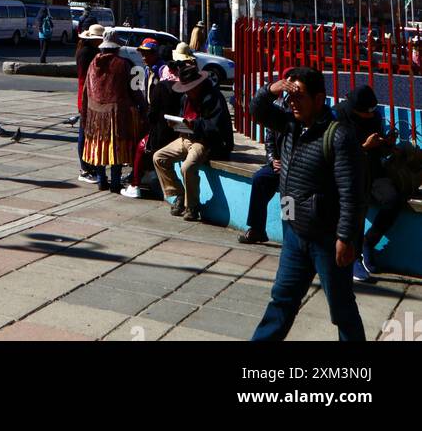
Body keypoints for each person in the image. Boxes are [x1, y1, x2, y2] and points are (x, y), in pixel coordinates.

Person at [250, 67, 367, 343]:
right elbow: (257, 110)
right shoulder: (290, 124)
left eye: (299, 95)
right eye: (290, 96)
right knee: (281, 300)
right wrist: (272, 89)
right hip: (295, 234)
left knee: (341, 309)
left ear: (319, 99)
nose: (292, 102)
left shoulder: (338, 136)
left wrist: (345, 238)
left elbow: (351, 192)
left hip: (327, 240)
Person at [152, 56, 234, 221]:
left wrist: (194, 125)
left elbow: (215, 127)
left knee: (187, 168)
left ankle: (192, 206)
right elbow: (184, 117)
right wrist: (176, 124)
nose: (188, 91)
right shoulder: (186, 98)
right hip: (186, 137)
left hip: (204, 141)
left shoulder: (214, 98)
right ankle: (179, 193)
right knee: (158, 157)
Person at [334, 84, 401, 283]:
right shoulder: (338, 116)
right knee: (356, 204)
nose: (370, 116)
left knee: (393, 200)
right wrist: (364, 147)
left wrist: (386, 143)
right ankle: (353, 258)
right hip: (349, 172)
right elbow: (337, 153)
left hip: (372, 169)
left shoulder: (375, 116)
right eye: (366, 113)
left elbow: (378, 150)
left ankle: (368, 243)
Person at [81, 35, 143, 193]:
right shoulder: (124, 64)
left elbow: (86, 90)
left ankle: (102, 180)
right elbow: (135, 90)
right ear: (117, 48)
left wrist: (85, 112)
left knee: (99, 145)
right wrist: (142, 106)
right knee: (117, 148)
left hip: (95, 113)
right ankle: (115, 183)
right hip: (117, 115)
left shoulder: (92, 64)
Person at [120, 37, 176, 198]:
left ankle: (137, 181)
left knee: (143, 147)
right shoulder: (147, 69)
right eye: (142, 54)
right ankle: (142, 175)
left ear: (154, 54)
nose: (143, 57)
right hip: (148, 115)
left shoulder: (162, 70)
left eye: (147, 54)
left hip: (159, 118)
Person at [238, 106, 287, 245]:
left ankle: (291, 235)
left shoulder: (304, 121)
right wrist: (272, 160)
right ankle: (257, 228)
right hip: (278, 166)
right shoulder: (279, 112)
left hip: (294, 171)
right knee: (260, 178)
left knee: (288, 192)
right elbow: (270, 141)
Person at [75, 24, 105, 182]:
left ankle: (88, 166)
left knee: (87, 132)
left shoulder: (86, 50)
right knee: (84, 133)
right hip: (87, 95)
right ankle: (85, 169)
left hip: (86, 94)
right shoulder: (88, 53)